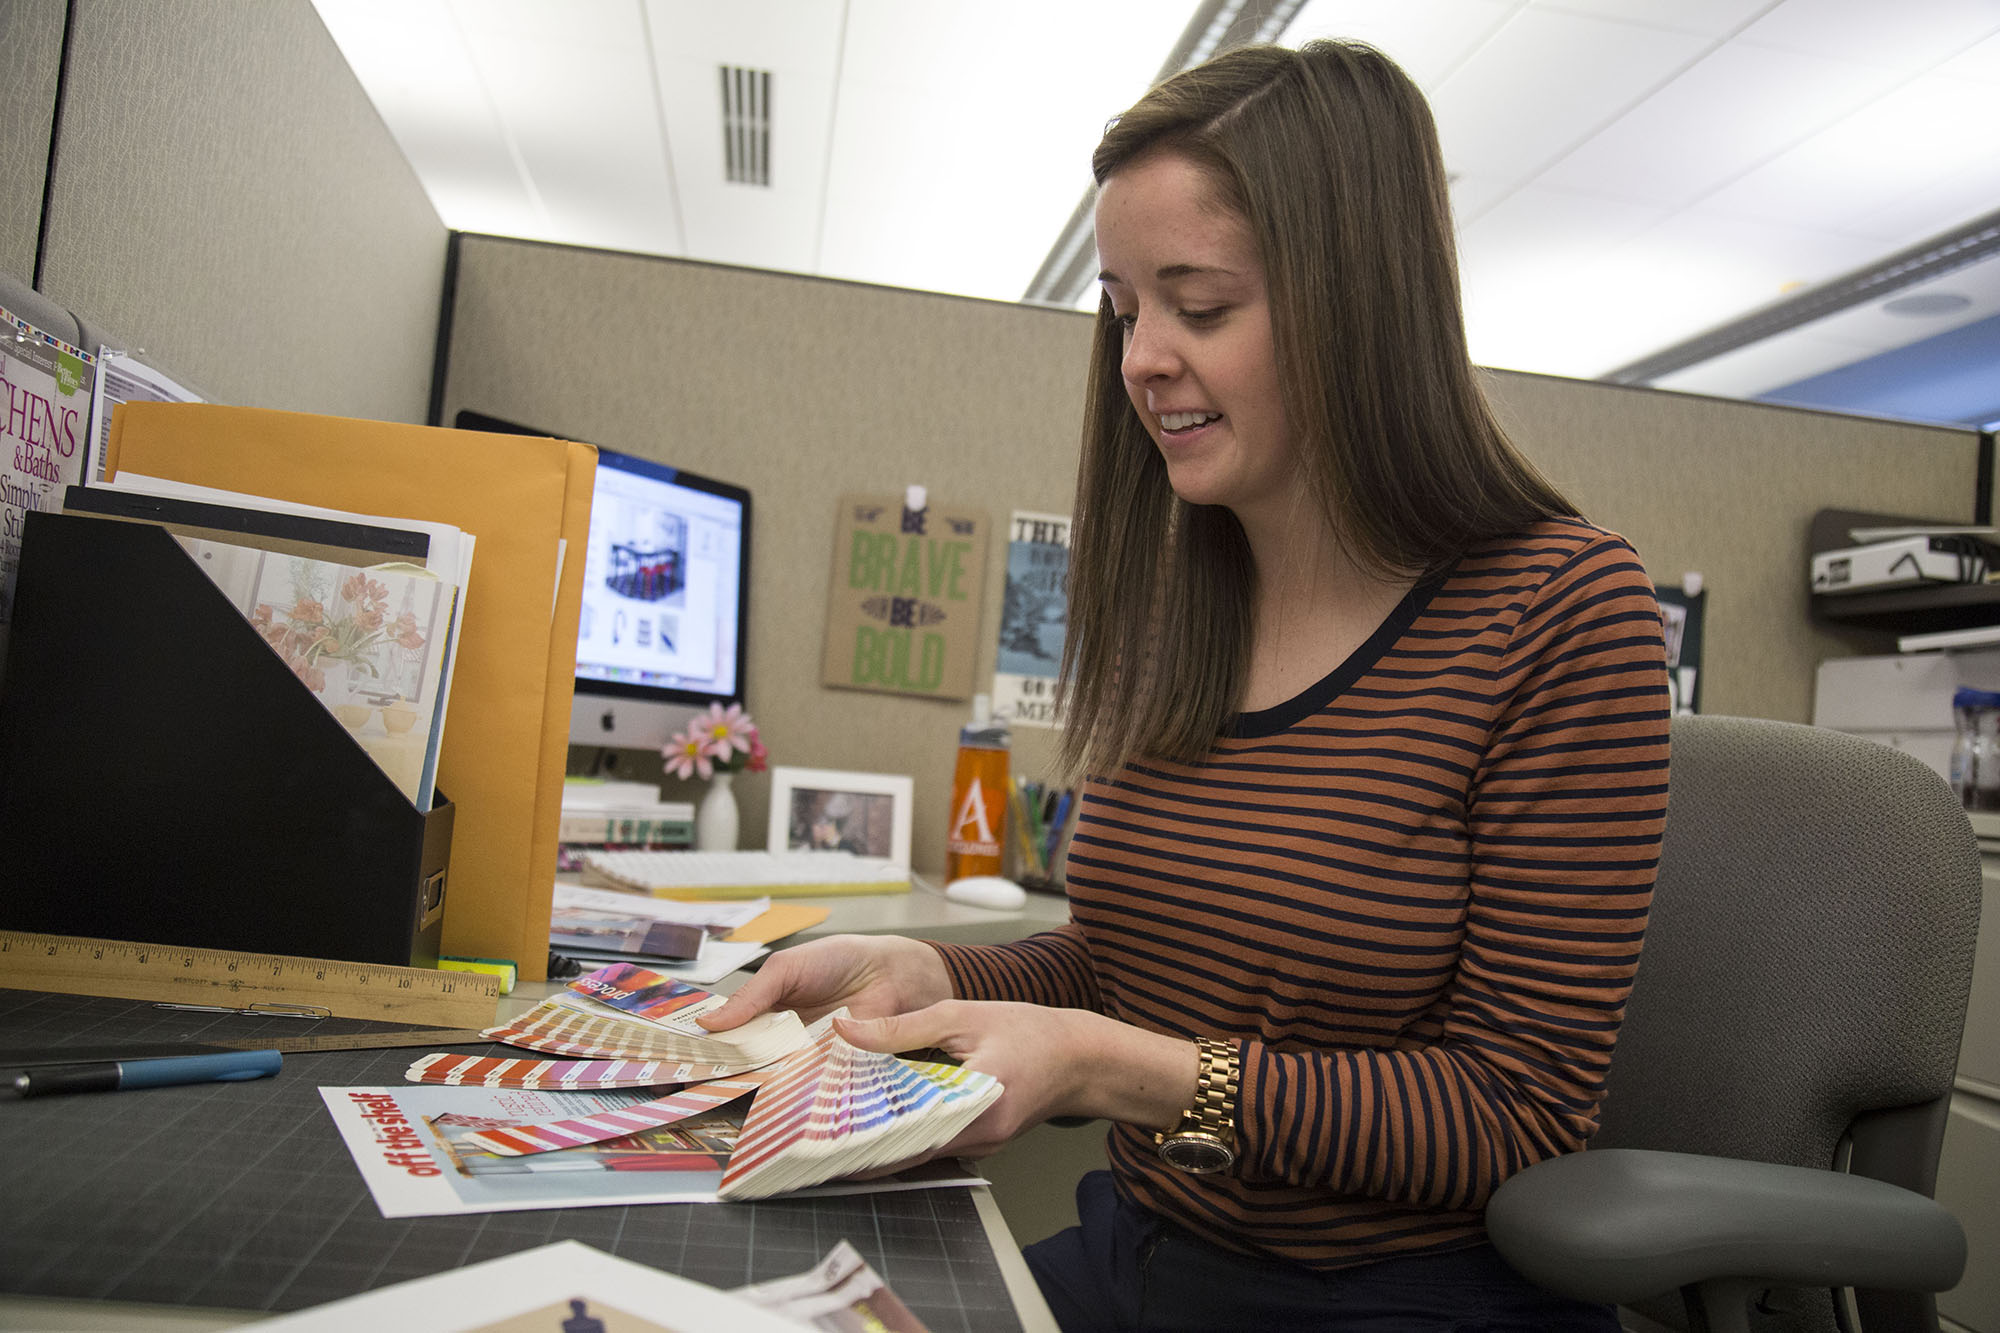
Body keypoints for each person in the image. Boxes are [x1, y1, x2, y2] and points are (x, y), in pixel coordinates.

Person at [704, 38, 1670, 1332]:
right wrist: (933, 972)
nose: (1141, 358)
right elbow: (1126, 966)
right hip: (1149, 1254)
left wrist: (1118, 1070)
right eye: (1122, 310)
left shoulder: (1561, 611)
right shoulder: (1188, 594)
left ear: (1359, 305)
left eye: (1198, 306)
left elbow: (1517, 1111)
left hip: (1396, 1300)